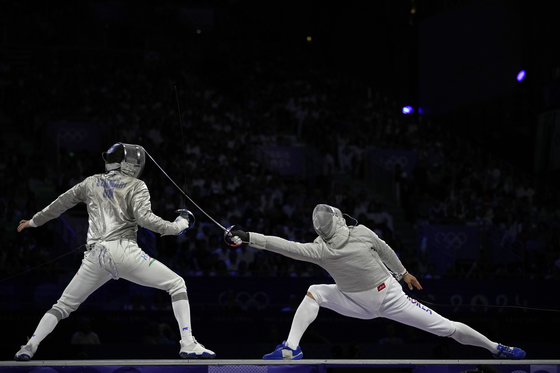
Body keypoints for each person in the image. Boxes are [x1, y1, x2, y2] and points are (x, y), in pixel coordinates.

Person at [230, 204, 526, 360]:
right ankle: (290, 348)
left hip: (383, 301)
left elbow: (284, 245)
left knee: (446, 327)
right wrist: (403, 272)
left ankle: (496, 347)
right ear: (339, 219)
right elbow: (386, 249)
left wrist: (247, 238)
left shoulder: (320, 248)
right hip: (365, 299)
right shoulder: (359, 233)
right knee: (315, 292)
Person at [14, 143, 215, 361]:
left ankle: (28, 347)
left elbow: (60, 203)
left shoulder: (91, 182)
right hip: (124, 252)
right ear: (132, 164)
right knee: (176, 284)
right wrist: (178, 225)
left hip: (94, 257)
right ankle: (187, 343)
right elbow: (145, 219)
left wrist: (34, 221)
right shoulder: (137, 185)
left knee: (62, 306)